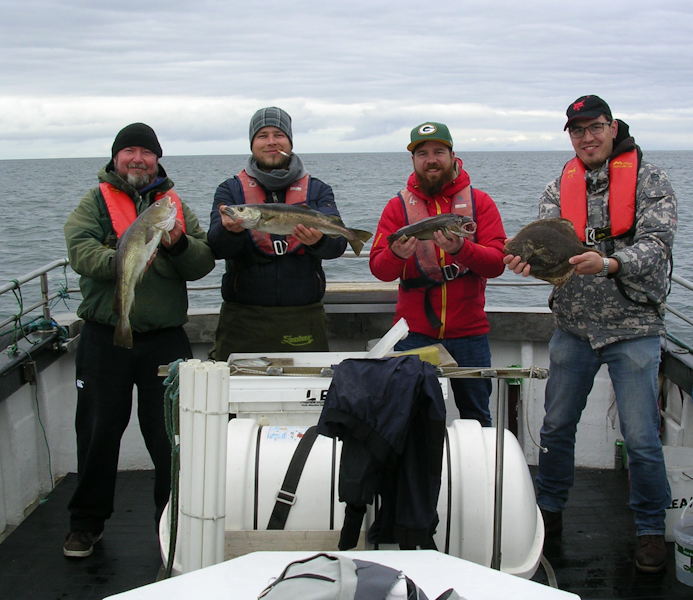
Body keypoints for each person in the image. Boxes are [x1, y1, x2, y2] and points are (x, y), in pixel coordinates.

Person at [504, 95, 676, 572]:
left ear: (612, 127)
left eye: (595, 127)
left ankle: (649, 529)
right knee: (557, 427)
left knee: (641, 437)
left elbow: (657, 246)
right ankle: (549, 514)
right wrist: (523, 263)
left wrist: (611, 262)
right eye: (577, 130)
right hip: (574, 328)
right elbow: (541, 250)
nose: (587, 137)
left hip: (634, 328)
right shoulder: (559, 186)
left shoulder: (650, 179)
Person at [63, 123, 215, 558]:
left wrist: (176, 244)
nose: (137, 159)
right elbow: (80, 250)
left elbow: (202, 261)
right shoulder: (93, 202)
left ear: (158, 159)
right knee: (97, 434)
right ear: (115, 158)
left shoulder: (175, 206)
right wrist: (126, 256)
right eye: (128, 151)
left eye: (145, 153)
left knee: (172, 438)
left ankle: (172, 523)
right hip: (103, 339)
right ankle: (85, 524)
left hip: (166, 343)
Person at [370, 122, 506, 426]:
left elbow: (497, 263)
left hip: (470, 334)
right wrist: (396, 255)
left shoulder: (480, 203)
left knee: (477, 418)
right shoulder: (397, 208)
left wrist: (462, 249)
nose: (431, 159)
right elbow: (379, 268)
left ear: (452, 155)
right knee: (413, 420)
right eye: (422, 153)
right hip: (414, 335)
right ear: (413, 160)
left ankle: (473, 473)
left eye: (438, 151)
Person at [208, 107, 347, 360]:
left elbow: (337, 248)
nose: (271, 142)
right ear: (252, 144)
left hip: (304, 317)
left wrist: (320, 241)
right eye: (262, 135)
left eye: (278, 134)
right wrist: (231, 233)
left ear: (290, 142)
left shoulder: (318, 190)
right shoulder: (230, 191)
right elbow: (216, 248)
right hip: (243, 318)